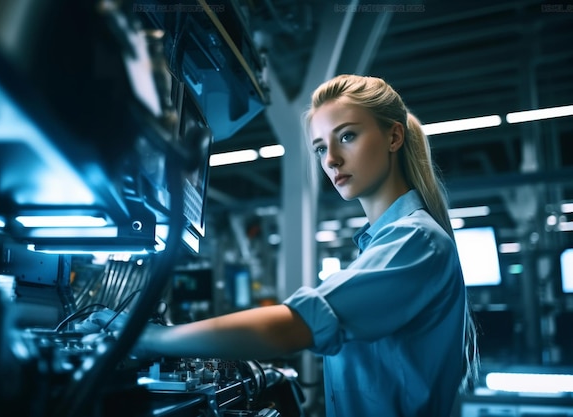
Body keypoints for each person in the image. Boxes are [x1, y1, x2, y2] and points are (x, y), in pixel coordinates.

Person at [134, 74, 479, 416]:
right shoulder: (383, 243)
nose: (331, 159)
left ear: (393, 136)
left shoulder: (416, 240)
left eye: (347, 136)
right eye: (319, 148)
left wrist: (147, 338)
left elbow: (291, 328)